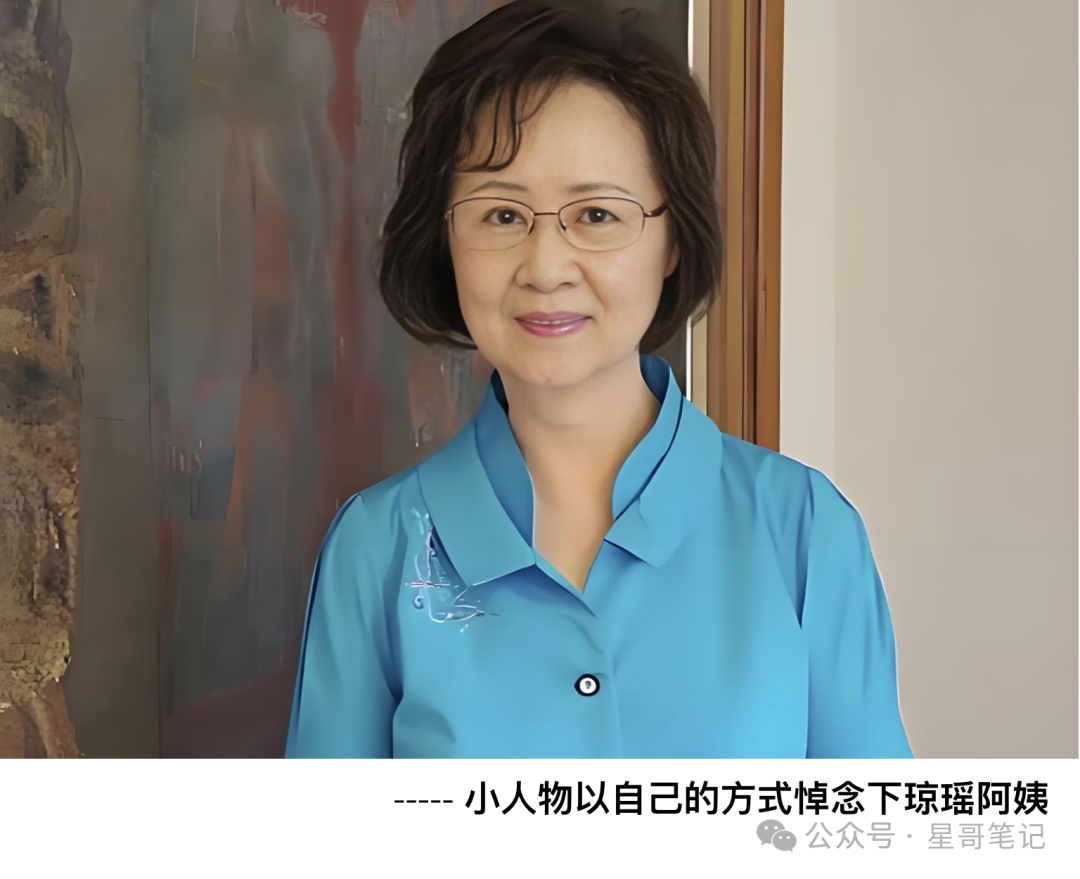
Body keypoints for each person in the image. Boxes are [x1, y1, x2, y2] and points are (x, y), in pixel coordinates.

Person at [285, 1, 913, 758]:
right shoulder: (377, 550)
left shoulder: (804, 533)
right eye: (502, 215)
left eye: (597, 215)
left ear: (673, 239)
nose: (547, 268)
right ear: (445, 236)